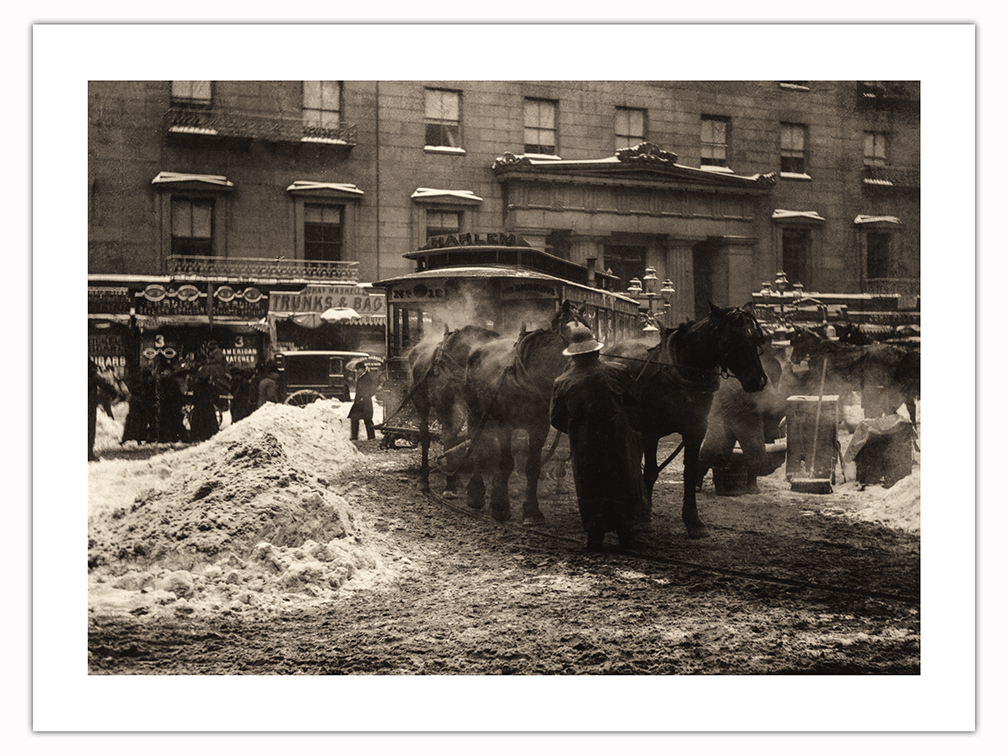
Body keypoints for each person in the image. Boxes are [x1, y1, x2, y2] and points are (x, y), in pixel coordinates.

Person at [549, 325, 645, 552]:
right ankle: (626, 535)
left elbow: (556, 419)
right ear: (596, 351)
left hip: (585, 446)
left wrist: (577, 429)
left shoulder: (562, 382)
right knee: (623, 482)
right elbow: (634, 400)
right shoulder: (618, 371)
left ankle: (595, 537)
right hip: (619, 441)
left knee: (591, 487)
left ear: (574, 355)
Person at [88, 358, 121, 461]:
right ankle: (88, 453)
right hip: (89, 405)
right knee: (89, 429)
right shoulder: (92, 375)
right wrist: (114, 393)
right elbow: (103, 383)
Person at [348, 360, 382, 441]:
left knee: (368, 419)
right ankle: (354, 436)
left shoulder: (369, 376)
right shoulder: (361, 377)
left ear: (362, 369)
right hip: (358, 402)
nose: (357, 372)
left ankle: (371, 437)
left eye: (358, 370)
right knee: (354, 418)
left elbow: (373, 389)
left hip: (366, 402)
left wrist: (366, 396)